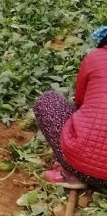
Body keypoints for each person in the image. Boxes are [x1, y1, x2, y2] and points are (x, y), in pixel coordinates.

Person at [33, 25, 107, 191]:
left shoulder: (95, 58)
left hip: (81, 166)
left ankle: (70, 174)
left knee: (47, 100)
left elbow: (80, 101)